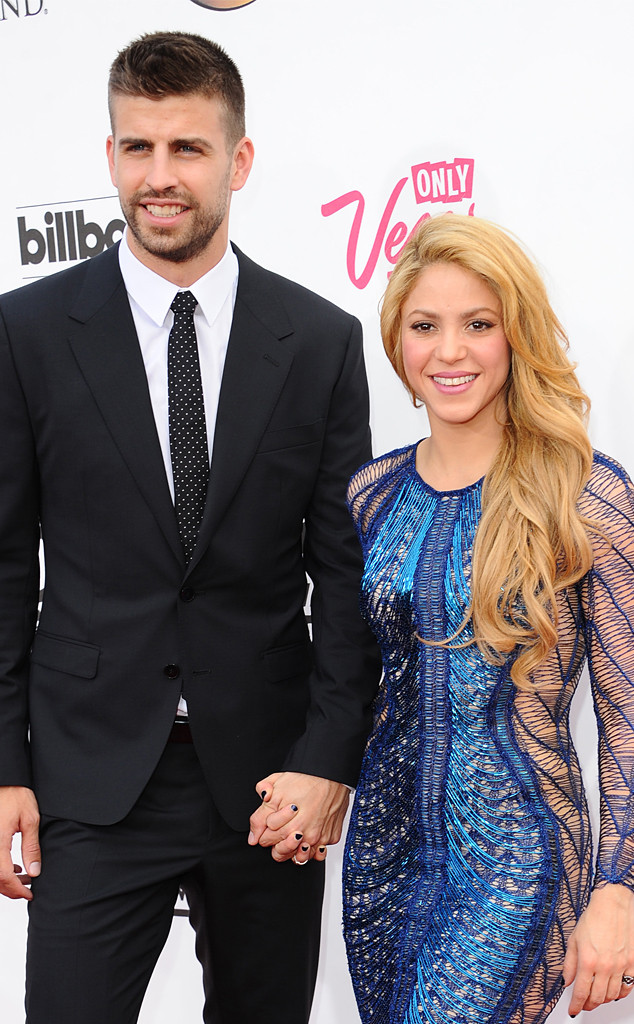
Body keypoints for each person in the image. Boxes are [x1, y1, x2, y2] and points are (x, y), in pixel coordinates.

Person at [0, 30, 380, 1024]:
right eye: (137, 147)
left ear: (238, 160)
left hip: (267, 782)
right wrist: (4, 765)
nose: (159, 176)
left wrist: (328, 755)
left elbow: (343, 577)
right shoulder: (27, 333)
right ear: (111, 154)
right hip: (89, 777)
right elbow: (3, 565)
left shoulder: (320, 343)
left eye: (187, 149)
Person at [342, 214, 634, 1024]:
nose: (450, 351)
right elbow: (367, 683)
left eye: (479, 324)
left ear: (516, 337)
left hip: (519, 861)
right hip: (383, 861)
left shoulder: (583, 498)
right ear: (397, 340)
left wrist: (620, 886)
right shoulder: (373, 495)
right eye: (425, 326)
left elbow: (629, 712)